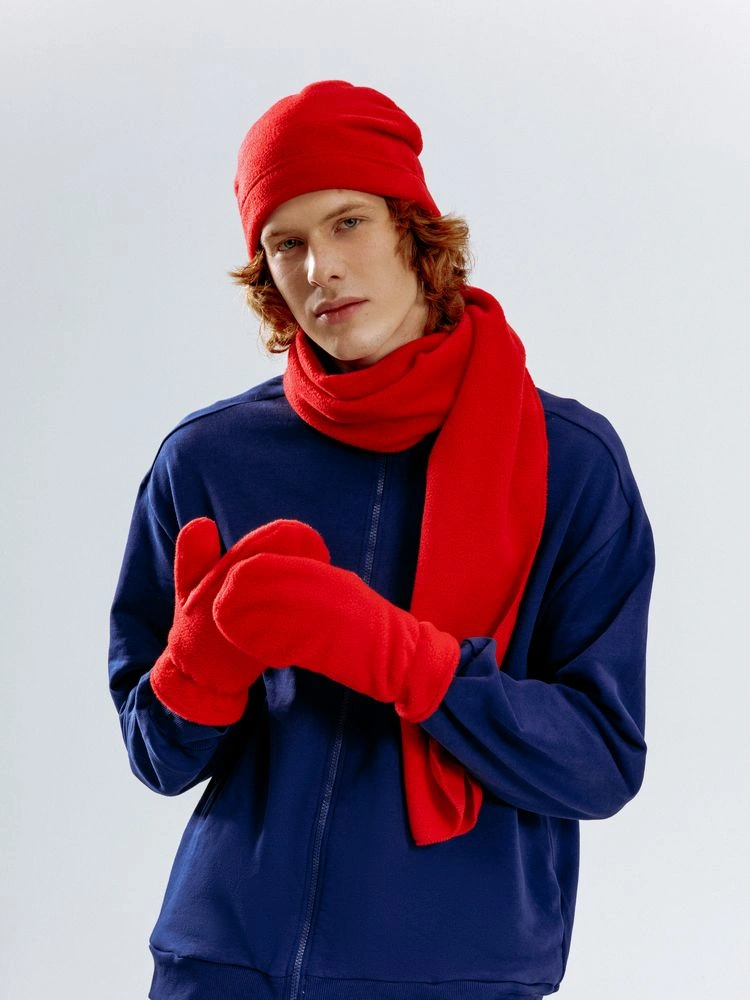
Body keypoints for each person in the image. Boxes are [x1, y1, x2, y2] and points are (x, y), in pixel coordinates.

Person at [109, 80, 655, 1000]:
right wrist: (197, 670)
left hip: (457, 975)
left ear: (414, 229)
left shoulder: (571, 461)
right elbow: (158, 758)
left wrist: (407, 661)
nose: (319, 266)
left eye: (348, 222)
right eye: (286, 243)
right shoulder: (208, 459)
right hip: (223, 965)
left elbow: (600, 762)